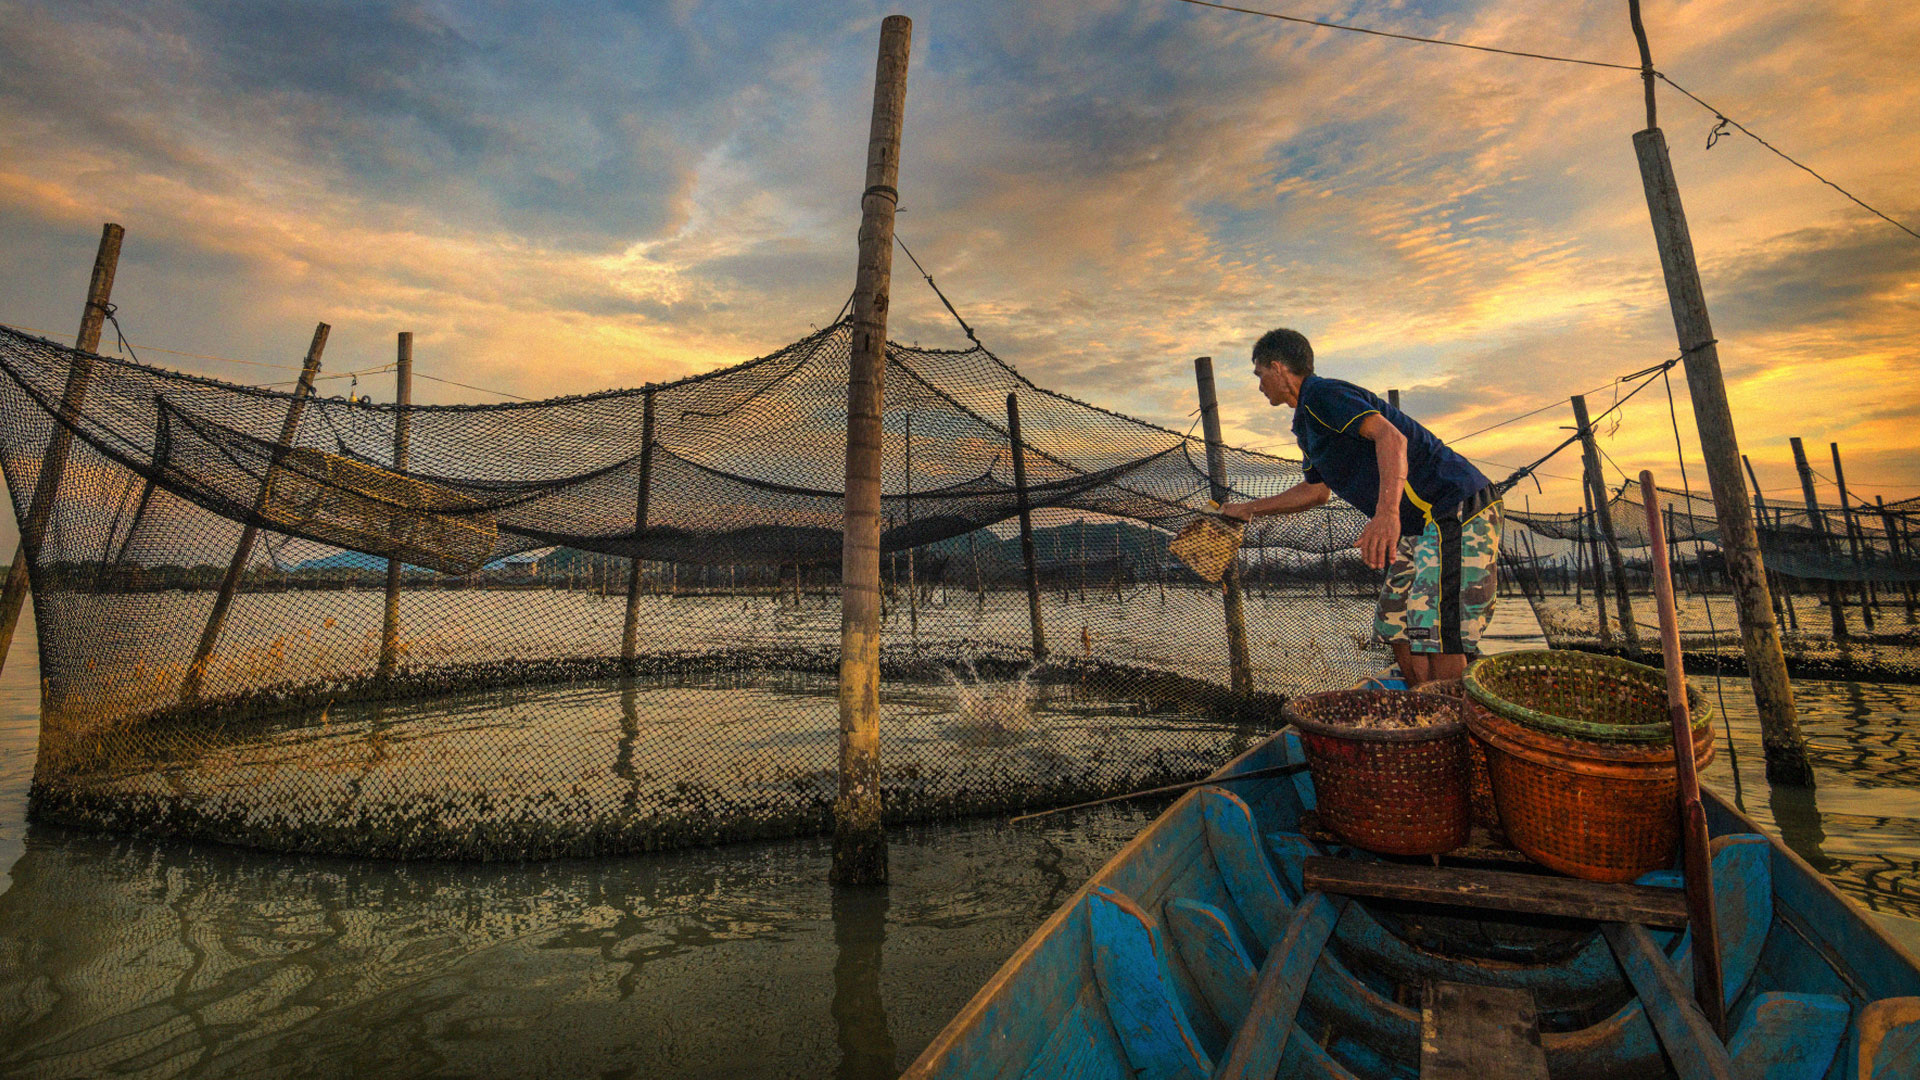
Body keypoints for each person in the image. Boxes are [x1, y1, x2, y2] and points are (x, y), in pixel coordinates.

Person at [1219, 328, 1501, 686]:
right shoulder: (1306, 425)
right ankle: (1423, 709)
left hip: (1452, 506)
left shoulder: (1323, 394)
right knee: (1394, 621)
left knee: (1436, 626)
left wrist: (1386, 514)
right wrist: (1249, 509)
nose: (1260, 386)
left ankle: (1451, 721)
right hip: (1419, 528)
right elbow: (1316, 492)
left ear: (1277, 368)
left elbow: (1391, 437)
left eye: (1259, 376)